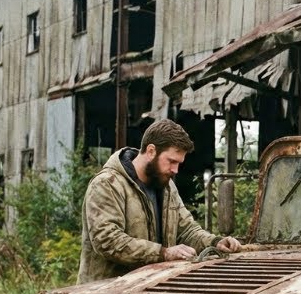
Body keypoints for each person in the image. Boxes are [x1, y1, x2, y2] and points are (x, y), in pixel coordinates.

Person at [78, 118, 242, 284]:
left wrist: (215, 242)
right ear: (151, 151)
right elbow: (107, 240)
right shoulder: (107, 184)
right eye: (172, 161)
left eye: (179, 163)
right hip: (105, 292)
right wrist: (163, 253)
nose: (175, 170)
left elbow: (187, 230)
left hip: (150, 287)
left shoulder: (166, 185)